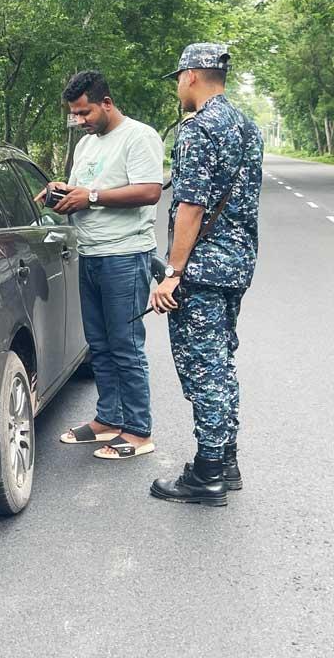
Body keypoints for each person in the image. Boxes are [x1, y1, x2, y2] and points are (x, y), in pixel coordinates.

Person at [149, 43, 263, 506]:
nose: (178, 86)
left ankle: (208, 473)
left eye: (179, 77)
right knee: (221, 362)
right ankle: (227, 460)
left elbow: (191, 208)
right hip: (236, 265)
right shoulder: (246, 126)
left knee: (204, 368)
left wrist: (172, 272)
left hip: (202, 268)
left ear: (192, 76)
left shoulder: (197, 130)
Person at [47, 70, 164, 460]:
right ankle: (108, 419)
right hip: (91, 252)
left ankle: (137, 430)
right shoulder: (87, 145)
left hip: (125, 255)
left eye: (85, 112)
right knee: (99, 345)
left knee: (125, 345)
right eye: (75, 115)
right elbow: (83, 187)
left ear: (107, 103)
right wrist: (58, 191)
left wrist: (91, 196)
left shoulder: (138, 136)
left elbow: (149, 191)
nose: (80, 120)